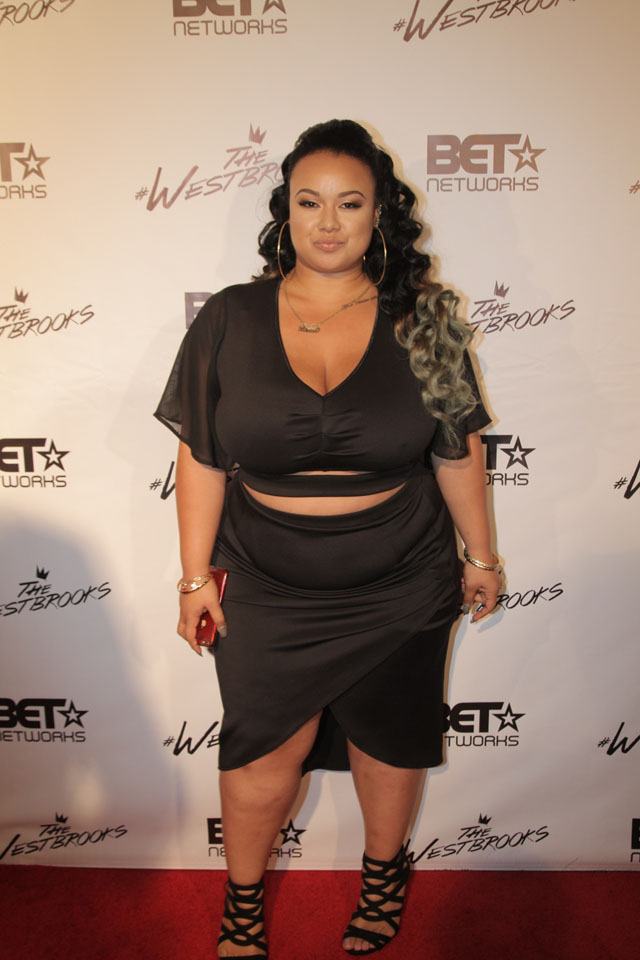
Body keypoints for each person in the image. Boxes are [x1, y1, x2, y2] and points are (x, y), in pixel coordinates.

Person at [155, 119, 500, 958]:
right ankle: (243, 904)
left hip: (401, 575)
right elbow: (201, 457)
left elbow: (457, 451)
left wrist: (481, 556)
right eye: (309, 202)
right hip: (266, 580)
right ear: (286, 211)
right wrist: (194, 577)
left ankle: (383, 878)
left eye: (350, 203)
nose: (329, 221)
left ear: (380, 213)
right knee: (261, 754)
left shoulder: (425, 319)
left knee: (391, 740)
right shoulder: (230, 318)